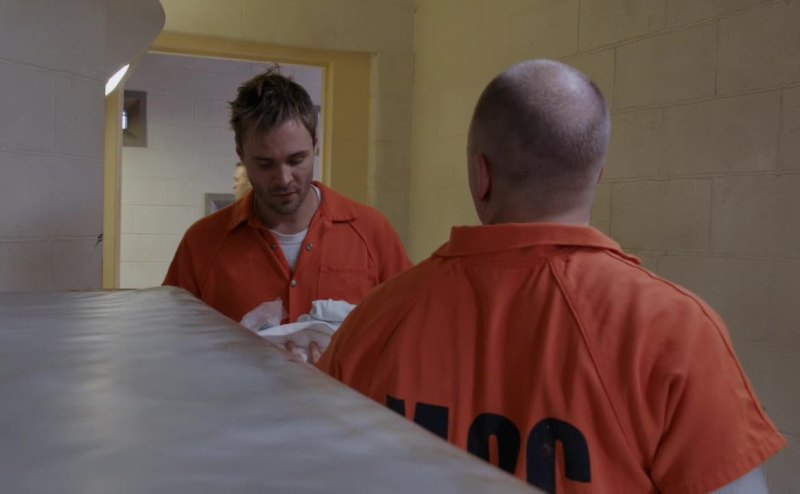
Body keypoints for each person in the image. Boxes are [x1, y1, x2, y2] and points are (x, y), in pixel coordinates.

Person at [317, 60, 785, 493]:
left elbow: (316, 471)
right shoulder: (676, 333)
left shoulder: (376, 318)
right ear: (596, 173)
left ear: (481, 175)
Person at [164, 68, 412, 323]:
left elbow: (408, 325)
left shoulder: (372, 232)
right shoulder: (202, 243)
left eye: (296, 160)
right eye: (265, 164)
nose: (283, 179)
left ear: (315, 144)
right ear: (241, 154)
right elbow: (171, 336)